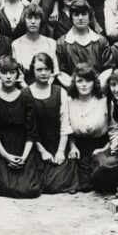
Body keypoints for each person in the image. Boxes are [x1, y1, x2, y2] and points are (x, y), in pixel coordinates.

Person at [0, 56, 41, 198]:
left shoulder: (26, 96)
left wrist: (23, 157)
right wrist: (6, 156)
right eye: (4, 73)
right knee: (5, 187)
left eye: (12, 72)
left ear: (18, 74)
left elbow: (31, 131)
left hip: (23, 145)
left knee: (30, 189)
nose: (8, 76)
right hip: (2, 147)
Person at [25, 53, 79, 194]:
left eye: (47, 69)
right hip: (36, 146)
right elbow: (27, 128)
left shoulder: (60, 92)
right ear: (33, 70)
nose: (43, 73)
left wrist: (61, 151)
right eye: (39, 69)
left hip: (57, 144)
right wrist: (42, 151)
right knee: (37, 183)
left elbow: (65, 124)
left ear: (51, 70)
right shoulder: (25, 94)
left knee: (61, 180)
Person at [67, 63, 118, 192]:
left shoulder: (104, 101)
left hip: (100, 146)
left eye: (88, 80)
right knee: (81, 185)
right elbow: (65, 127)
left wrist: (105, 148)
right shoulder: (68, 101)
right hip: (78, 147)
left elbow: (115, 130)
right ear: (74, 83)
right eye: (80, 81)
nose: (84, 85)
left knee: (102, 175)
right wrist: (72, 146)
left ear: (94, 82)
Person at [55, 0, 114, 88]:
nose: (80, 18)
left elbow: (108, 68)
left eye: (84, 14)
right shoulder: (61, 43)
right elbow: (60, 72)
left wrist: (96, 87)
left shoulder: (101, 41)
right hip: (73, 94)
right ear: (71, 17)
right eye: (76, 15)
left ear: (89, 16)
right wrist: (76, 87)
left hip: (98, 92)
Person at [11, 4, 59, 80]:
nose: (33, 22)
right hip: (24, 88)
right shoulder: (16, 44)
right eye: (29, 18)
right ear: (24, 19)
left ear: (41, 20)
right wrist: (29, 90)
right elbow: (17, 75)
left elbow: (54, 73)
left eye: (36, 18)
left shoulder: (51, 43)